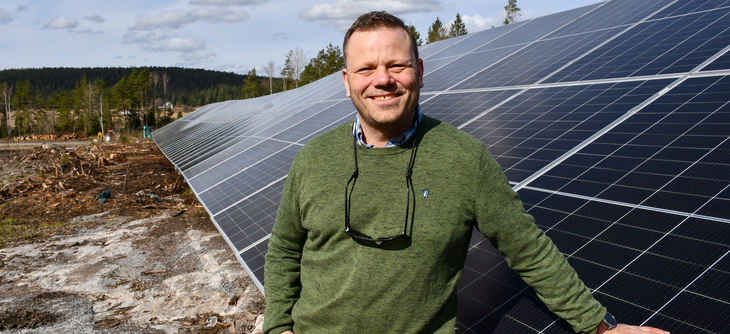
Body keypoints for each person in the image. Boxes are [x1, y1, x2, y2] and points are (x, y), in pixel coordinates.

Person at [263, 11, 670, 334]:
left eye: (397, 65)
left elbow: (528, 248)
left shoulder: (464, 158)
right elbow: (284, 250)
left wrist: (600, 328)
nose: (383, 80)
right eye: (367, 69)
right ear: (346, 81)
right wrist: (278, 327)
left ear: (419, 71)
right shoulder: (313, 158)